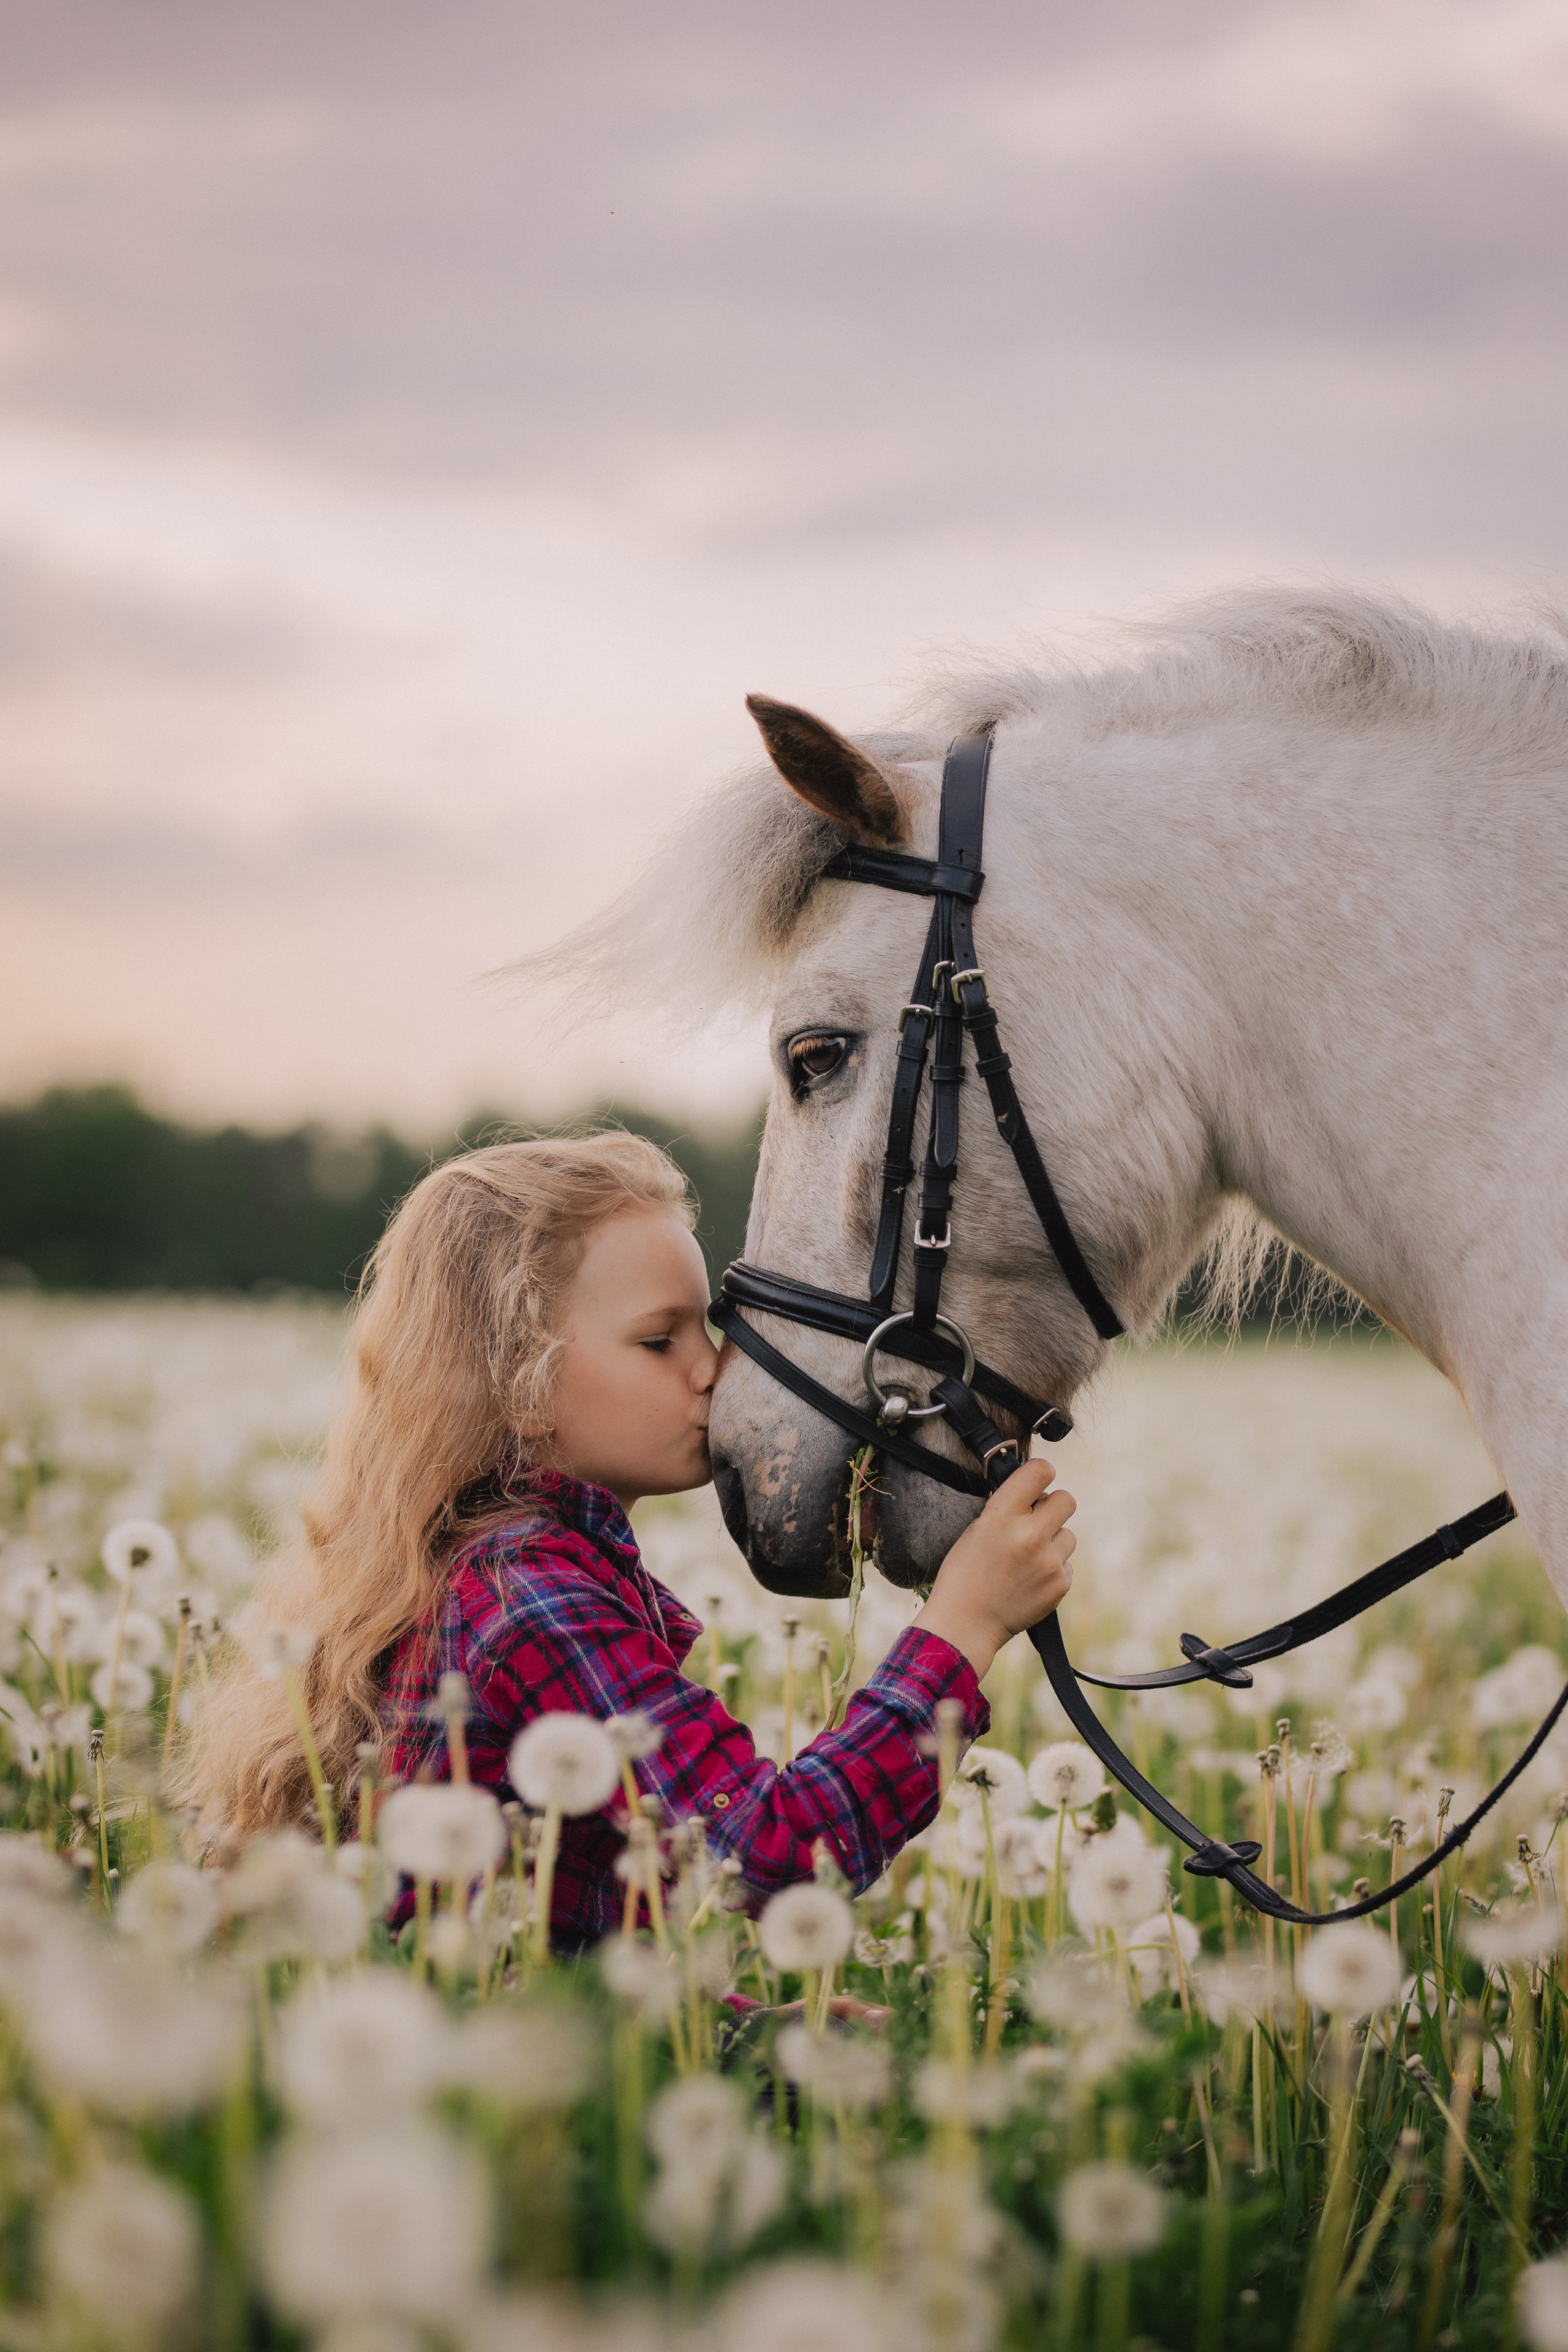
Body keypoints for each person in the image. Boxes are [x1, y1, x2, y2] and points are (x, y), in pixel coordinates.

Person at [181, 1135, 1077, 1951]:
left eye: (710, 1327)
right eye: (659, 1340)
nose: (712, 1369)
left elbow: (583, 1937)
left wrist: (728, 2027)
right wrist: (965, 1626)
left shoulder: (498, 1566)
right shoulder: (529, 1599)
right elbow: (764, 1855)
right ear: (518, 1383)